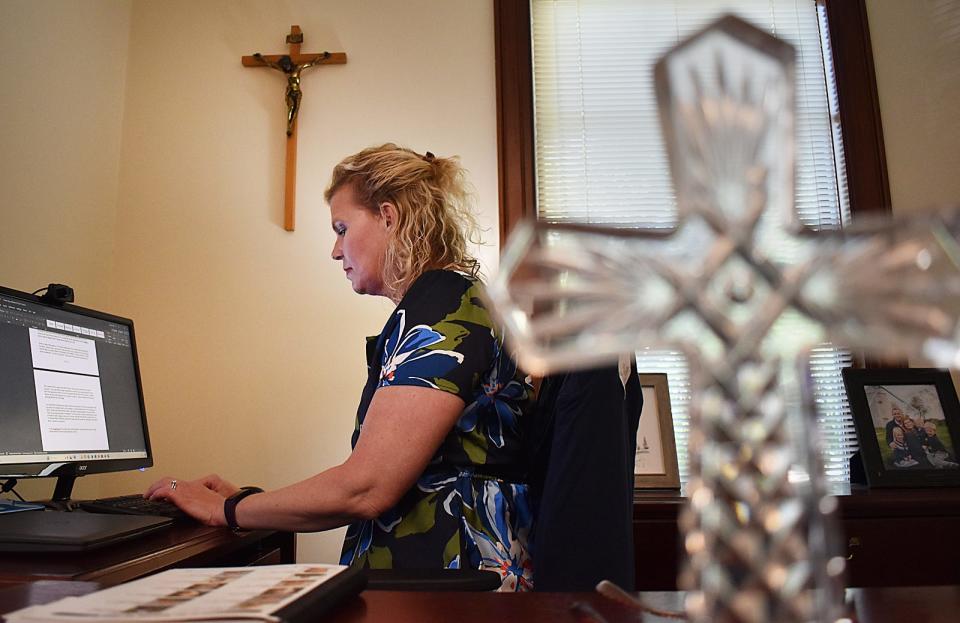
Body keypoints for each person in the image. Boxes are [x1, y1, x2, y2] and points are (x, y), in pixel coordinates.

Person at [146, 144, 535, 590]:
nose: (335, 250)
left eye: (342, 227)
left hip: (449, 586)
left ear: (390, 218)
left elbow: (366, 487)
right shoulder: (451, 300)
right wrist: (251, 503)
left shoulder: (443, 303)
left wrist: (226, 511)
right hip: (450, 575)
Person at [253, 52, 330, 135]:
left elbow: (312, 63)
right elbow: (270, 64)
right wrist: (260, 58)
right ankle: (289, 127)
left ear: (289, 63)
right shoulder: (284, 70)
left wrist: (323, 57)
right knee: (291, 108)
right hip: (289, 92)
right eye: (284, 67)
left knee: (295, 109)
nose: (286, 69)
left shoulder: (298, 68)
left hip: (297, 93)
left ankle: (290, 126)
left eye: (286, 66)